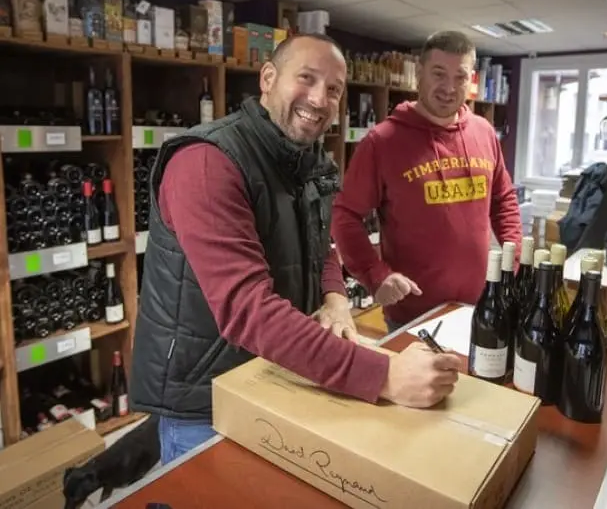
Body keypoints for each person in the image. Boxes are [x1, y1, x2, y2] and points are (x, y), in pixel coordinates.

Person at [129, 34, 461, 465]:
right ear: (268, 79)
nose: (320, 98)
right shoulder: (207, 163)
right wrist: (385, 375)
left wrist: (336, 298)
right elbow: (247, 309)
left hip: (277, 371)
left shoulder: (308, 160)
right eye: (306, 78)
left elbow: (321, 244)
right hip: (204, 400)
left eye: (334, 89)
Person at [332, 31, 523, 331]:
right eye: (438, 74)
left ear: (470, 79)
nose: (449, 87)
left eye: (459, 76)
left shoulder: (484, 132)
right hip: (412, 316)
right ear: (419, 74)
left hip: (480, 304)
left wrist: (514, 259)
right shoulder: (381, 141)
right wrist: (375, 274)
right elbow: (345, 216)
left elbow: (504, 200)